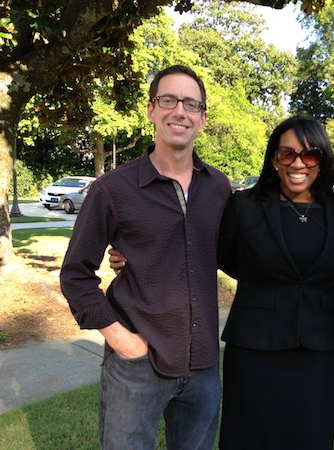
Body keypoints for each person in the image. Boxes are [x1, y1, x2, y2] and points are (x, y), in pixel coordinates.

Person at [60, 65, 231, 450]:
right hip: (138, 364)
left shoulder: (219, 188)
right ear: (151, 110)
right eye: (168, 100)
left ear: (202, 117)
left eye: (191, 103)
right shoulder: (112, 190)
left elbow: (226, 253)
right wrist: (122, 341)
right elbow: (75, 275)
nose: (179, 111)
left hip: (203, 363)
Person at [217, 116, 334, 449]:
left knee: (309, 438)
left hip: (316, 353)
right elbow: (223, 256)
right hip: (254, 349)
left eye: (309, 155)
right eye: (287, 154)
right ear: (273, 159)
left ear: (322, 162)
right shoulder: (244, 206)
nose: (298, 163)